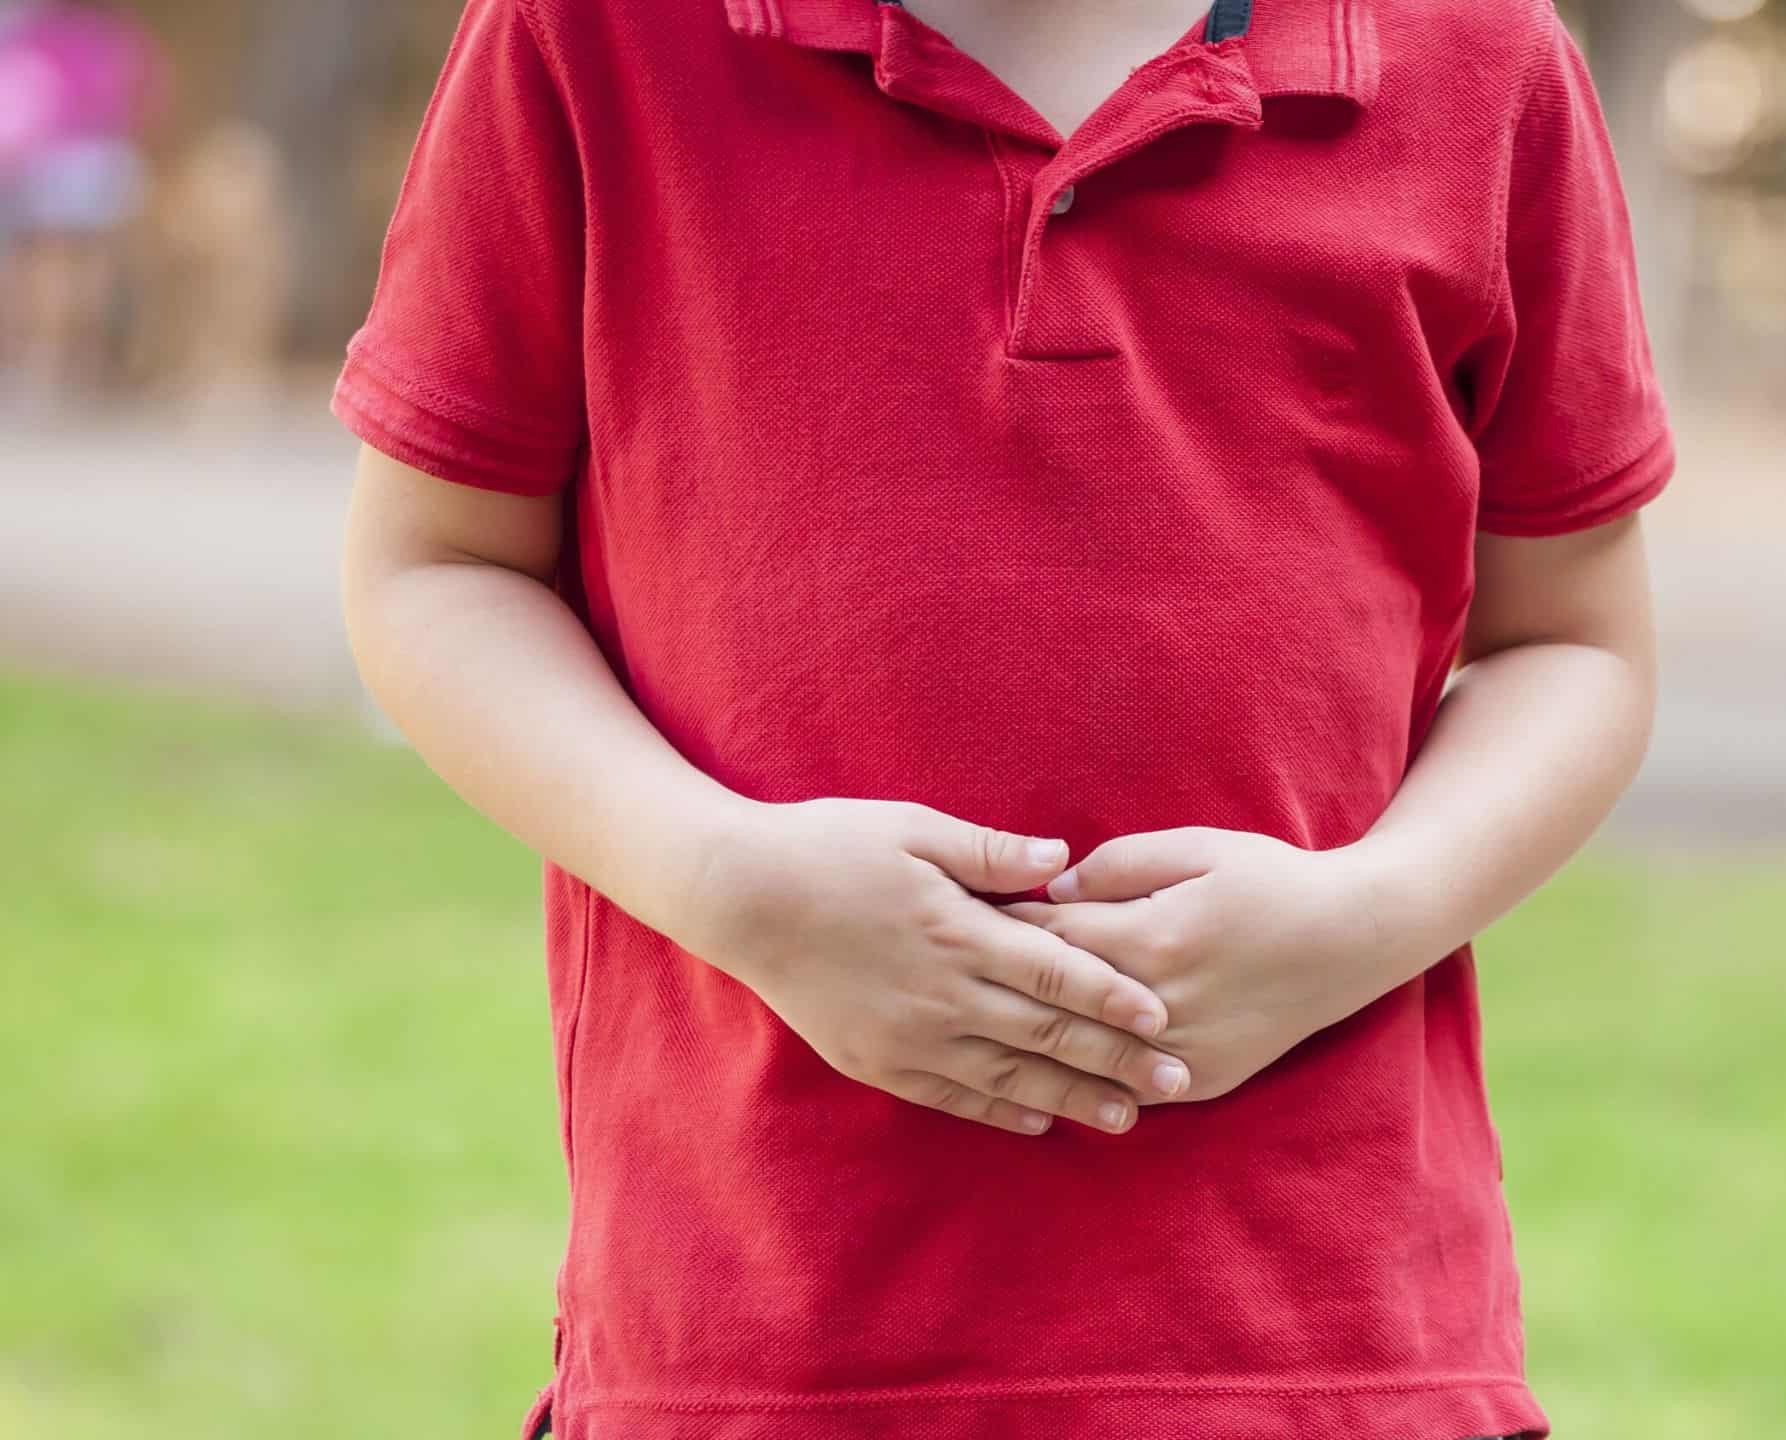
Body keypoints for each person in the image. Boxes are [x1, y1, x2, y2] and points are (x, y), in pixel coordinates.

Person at [334, 0, 1670, 1435]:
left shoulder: (1480, 55)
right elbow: (437, 564)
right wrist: (723, 881)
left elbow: (1574, 641)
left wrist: (1367, 912)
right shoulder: (590, 34)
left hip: (1334, 1349)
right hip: (761, 1340)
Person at [0, 0, 157, 408]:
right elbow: (148, 96)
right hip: (105, 157)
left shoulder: (40, 31)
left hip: (54, 159)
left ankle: (43, 359)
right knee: (91, 266)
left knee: (47, 264)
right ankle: (79, 361)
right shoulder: (121, 35)